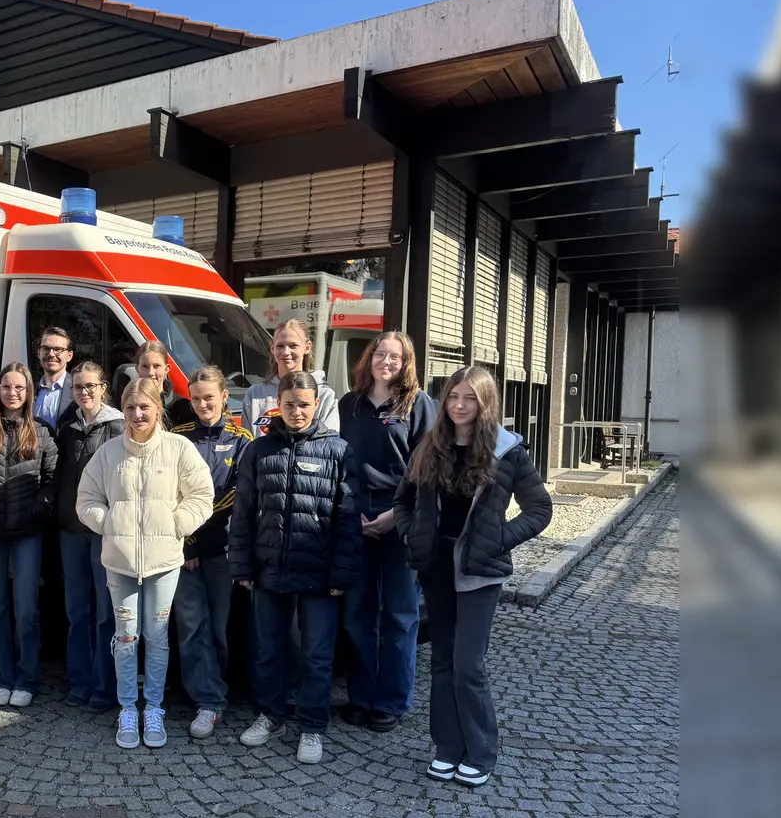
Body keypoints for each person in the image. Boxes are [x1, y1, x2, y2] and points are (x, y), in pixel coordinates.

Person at [394, 365, 551, 788]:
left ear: (485, 403)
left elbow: (540, 509)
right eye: (453, 396)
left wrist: (498, 540)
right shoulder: (429, 446)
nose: (460, 406)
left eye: (470, 398)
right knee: (442, 660)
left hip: (479, 572)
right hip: (436, 567)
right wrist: (411, 533)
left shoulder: (507, 451)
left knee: (468, 665)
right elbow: (403, 501)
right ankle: (447, 748)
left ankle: (481, 752)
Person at [231, 371, 364, 765]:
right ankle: (271, 715)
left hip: (319, 574)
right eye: (289, 404)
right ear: (279, 405)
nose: (297, 411)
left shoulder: (338, 451)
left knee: (317, 656)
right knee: (268, 651)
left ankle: (312, 726)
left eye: (304, 404)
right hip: (269, 568)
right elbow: (243, 513)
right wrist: (242, 565)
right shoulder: (258, 451)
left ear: (316, 405)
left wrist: (341, 574)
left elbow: (348, 519)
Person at [76, 378, 214, 749]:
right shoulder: (108, 453)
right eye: (131, 408)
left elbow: (202, 495)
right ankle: (127, 708)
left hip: (163, 562)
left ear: (158, 409)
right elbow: (86, 499)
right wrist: (109, 523)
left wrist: (176, 525)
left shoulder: (178, 448)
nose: (138, 415)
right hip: (119, 562)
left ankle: (153, 707)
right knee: (125, 637)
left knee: (156, 636)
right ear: (122, 410)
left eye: (145, 407)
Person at [335, 332, 437, 734]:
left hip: (400, 518)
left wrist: (398, 514)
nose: (387, 362)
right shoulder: (350, 405)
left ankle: (391, 701)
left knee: (399, 614)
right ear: (369, 358)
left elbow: (426, 468)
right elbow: (340, 461)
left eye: (396, 357)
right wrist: (352, 511)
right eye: (381, 354)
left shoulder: (418, 405)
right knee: (358, 614)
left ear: (406, 362)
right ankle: (360, 697)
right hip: (355, 517)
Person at [170, 366, 253, 739]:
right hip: (184, 549)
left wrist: (199, 535)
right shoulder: (177, 437)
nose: (203, 404)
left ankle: (214, 688)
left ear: (224, 397)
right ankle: (208, 700)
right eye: (196, 398)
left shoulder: (242, 440)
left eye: (209, 397)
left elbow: (237, 495)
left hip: (221, 549)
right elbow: (171, 494)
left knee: (218, 628)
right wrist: (188, 541)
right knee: (191, 626)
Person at [0, 362, 58, 708]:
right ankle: (3, 676)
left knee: (26, 608)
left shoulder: (41, 431)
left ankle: (27, 677)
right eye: (6, 387)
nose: (12, 393)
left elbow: (53, 477)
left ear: (29, 392)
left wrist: (38, 508)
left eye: (19, 387)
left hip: (28, 532)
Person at [54, 361, 125, 712]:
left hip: (103, 533)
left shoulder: (118, 426)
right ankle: (79, 681)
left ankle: (104, 685)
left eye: (90, 386)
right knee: (76, 610)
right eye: (78, 387)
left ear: (103, 388)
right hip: (71, 530)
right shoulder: (68, 427)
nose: (84, 392)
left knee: (105, 613)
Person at [243, 319, 337, 437]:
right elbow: (246, 443)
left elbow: (328, 442)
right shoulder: (254, 394)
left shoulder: (324, 394)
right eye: (280, 346)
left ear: (307, 347)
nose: (286, 352)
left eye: (293, 346)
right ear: (272, 348)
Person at [131, 339, 196, 427]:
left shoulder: (183, 407)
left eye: (156, 366)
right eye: (145, 366)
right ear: (137, 369)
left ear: (166, 369)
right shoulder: (127, 403)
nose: (150, 372)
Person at [33, 327, 75, 430]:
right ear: (39, 353)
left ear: (69, 356)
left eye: (58, 350)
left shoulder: (79, 390)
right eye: (46, 348)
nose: (51, 354)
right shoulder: (28, 391)